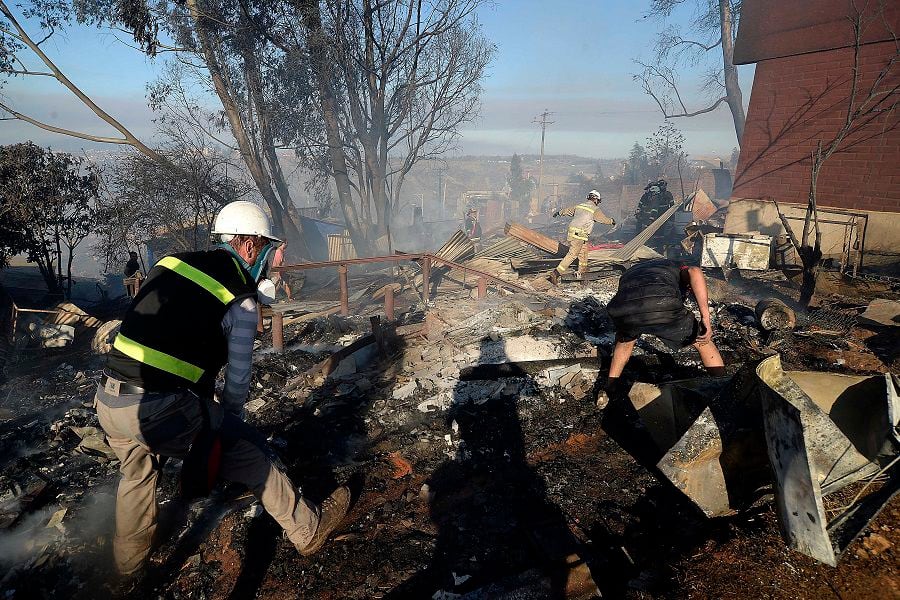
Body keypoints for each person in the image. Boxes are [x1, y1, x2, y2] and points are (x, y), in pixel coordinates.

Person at [95, 200, 350, 578]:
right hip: (158, 407)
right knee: (244, 449)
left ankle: (128, 570)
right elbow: (238, 379)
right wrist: (225, 422)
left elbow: (164, 336)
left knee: (136, 476)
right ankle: (307, 528)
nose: (271, 259)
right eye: (267, 248)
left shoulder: (171, 263)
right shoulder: (241, 299)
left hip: (109, 402)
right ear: (248, 245)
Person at [599, 258, 725, 406]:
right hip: (662, 307)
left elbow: (632, 297)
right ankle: (723, 388)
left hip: (622, 310)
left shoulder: (632, 271)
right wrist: (705, 318)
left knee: (625, 342)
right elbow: (694, 271)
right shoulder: (678, 266)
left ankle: (609, 388)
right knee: (703, 342)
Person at [551, 190, 615, 280]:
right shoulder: (595, 209)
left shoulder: (580, 206)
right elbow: (603, 219)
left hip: (576, 233)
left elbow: (568, 210)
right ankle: (556, 273)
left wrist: (559, 213)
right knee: (572, 254)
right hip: (579, 234)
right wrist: (612, 221)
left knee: (583, 252)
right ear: (596, 200)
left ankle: (582, 271)